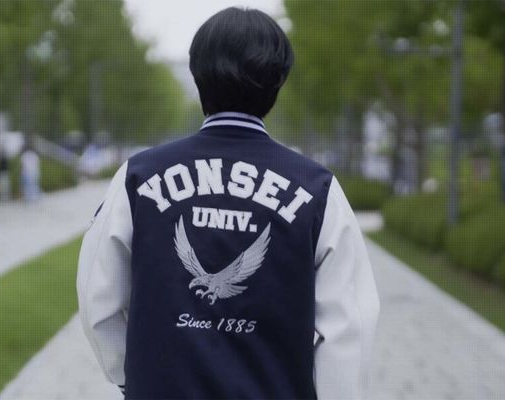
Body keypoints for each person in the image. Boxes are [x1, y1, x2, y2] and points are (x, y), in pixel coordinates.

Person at [77, 7, 379, 400]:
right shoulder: (317, 189)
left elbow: (98, 296)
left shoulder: (139, 177)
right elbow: (350, 326)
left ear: (197, 74)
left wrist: (129, 376)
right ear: (278, 80)